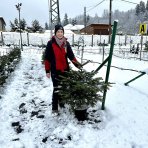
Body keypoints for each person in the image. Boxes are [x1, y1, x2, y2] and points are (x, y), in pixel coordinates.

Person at [44, 24, 82, 116]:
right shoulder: (51, 43)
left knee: (63, 88)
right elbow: (47, 58)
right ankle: (54, 108)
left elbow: (71, 56)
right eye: (58, 32)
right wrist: (47, 71)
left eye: (61, 32)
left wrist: (78, 65)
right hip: (55, 70)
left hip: (65, 70)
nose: (60, 33)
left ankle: (61, 103)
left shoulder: (66, 43)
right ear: (55, 33)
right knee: (56, 89)